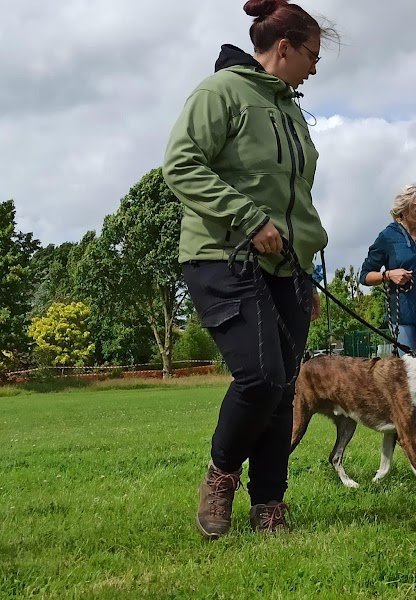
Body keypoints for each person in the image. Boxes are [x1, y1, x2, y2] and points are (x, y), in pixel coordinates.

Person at [162, 0, 337, 539]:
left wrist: (303, 270)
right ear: (282, 48)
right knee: (260, 377)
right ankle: (221, 476)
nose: (314, 66)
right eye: (311, 54)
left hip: (287, 267)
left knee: (285, 387)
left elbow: (296, 198)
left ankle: (269, 505)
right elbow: (181, 164)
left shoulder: (288, 108)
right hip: (223, 255)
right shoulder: (221, 93)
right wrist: (248, 217)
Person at [359, 183, 416, 444]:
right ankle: (409, 420)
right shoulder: (387, 236)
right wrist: (388, 274)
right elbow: (365, 275)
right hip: (401, 312)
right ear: (403, 212)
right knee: (410, 368)